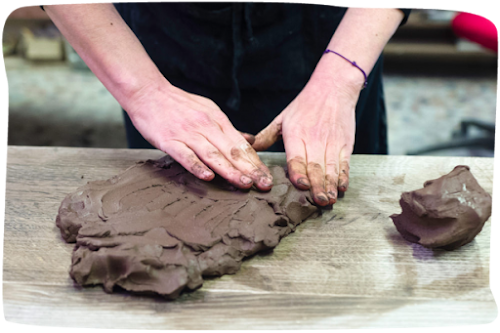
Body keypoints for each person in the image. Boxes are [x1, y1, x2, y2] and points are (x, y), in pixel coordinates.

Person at [41, 3, 412, 206]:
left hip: (333, 34)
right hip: (168, 33)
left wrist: (338, 80)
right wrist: (144, 91)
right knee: (166, 200)